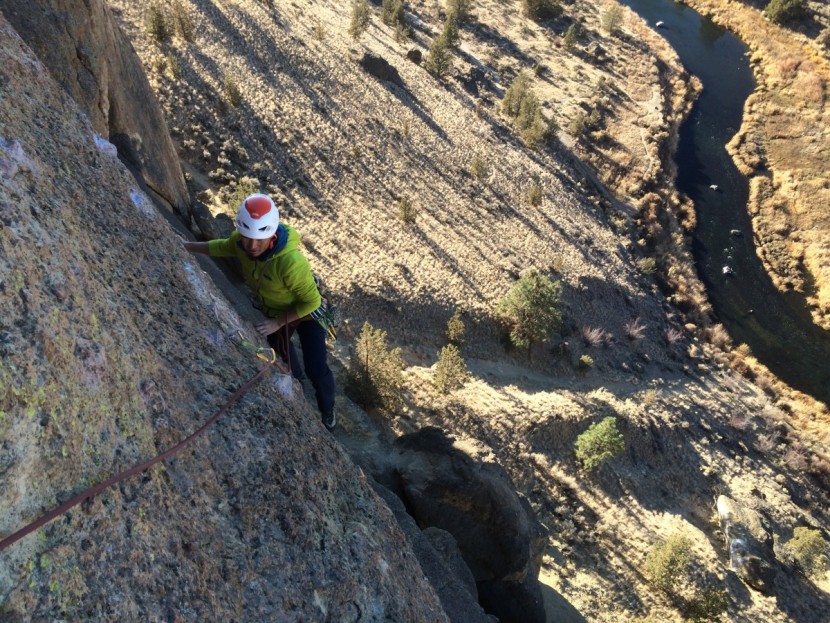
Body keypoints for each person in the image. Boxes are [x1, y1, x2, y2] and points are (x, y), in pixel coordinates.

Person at [183, 193, 336, 431]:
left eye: (259, 240)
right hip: (275, 311)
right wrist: (186, 246)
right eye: (247, 239)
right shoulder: (241, 243)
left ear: (272, 235)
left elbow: (312, 302)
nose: (252, 246)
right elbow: (221, 247)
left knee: (316, 367)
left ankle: (328, 413)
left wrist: (278, 323)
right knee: (287, 368)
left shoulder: (290, 262)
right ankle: (300, 406)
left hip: (305, 312)